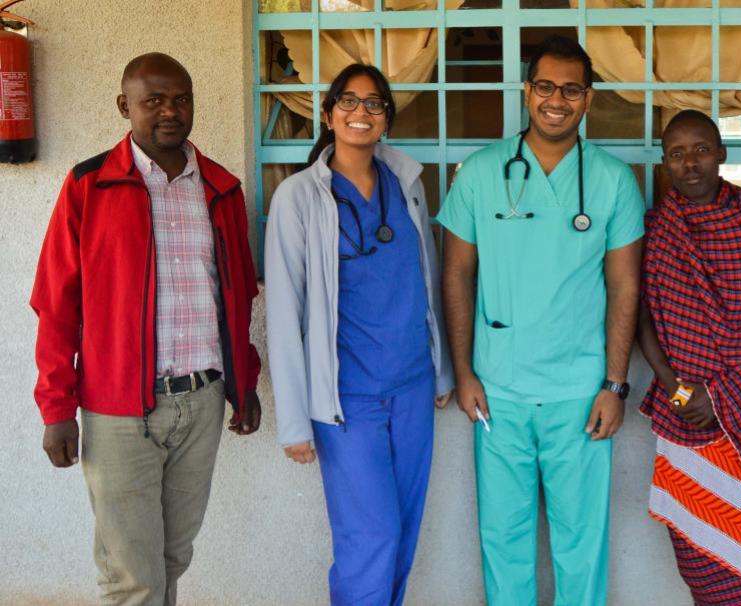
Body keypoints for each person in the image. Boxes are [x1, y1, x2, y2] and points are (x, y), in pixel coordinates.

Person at [31, 52, 262, 605]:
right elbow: (55, 304)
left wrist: (244, 384)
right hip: (118, 412)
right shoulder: (91, 186)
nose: (169, 111)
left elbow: (236, 297)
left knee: (170, 560)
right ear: (124, 106)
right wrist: (56, 408)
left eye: (180, 99)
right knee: (132, 576)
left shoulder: (222, 190)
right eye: (152, 100)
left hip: (202, 402)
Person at [437, 35, 644, 605]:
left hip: (581, 393)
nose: (558, 100)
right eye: (546, 87)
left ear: (588, 97)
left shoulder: (612, 180)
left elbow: (625, 283)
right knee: (503, 540)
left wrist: (615, 383)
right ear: (527, 91)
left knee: (582, 544)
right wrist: (464, 372)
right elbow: (456, 274)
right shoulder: (480, 173)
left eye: (571, 89)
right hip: (497, 391)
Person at [264, 63, 454, 606]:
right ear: (327, 114)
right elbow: (284, 312)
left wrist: (440, 370)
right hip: (348, 399)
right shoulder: (299, 198)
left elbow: (425, 279)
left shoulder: (407, 184)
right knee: (371, 536)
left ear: (387, 119)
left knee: (404, 531)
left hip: (413, 387)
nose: (360, 113)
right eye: (348, 101)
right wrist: (295, 421)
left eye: (374, 104)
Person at [637, 110, 741, 605]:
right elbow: (641, 317)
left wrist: (720, 394)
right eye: (677, 154)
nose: (690, 163)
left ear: (722, 152)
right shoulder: (659, 228)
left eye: (701, 149)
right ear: (664, 163)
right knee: (699, 561)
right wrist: (678, 389)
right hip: (684, 414)